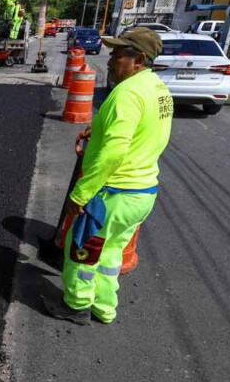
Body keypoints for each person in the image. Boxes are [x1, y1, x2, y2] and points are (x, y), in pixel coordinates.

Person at [43, 28, 173, 325]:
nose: (110, 59)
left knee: (83, 253)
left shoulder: (126, 95)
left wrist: (81, 194)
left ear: (139, 58)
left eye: (117, 54)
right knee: (111, 254)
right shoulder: (157, 89)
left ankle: (75, 306)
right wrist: (98, 131)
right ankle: (105, 307)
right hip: (142, 194)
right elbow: (147, 133)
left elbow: (114, 153)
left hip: (110, 195)